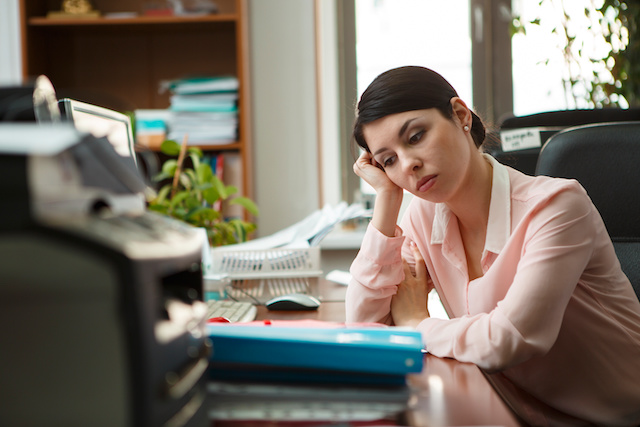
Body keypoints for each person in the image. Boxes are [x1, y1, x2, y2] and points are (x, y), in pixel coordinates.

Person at [346, 65, 640, 426]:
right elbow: (363, 328)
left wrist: (417, 323)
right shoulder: (422, 218)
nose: (409, 164)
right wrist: (388, 201)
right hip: (512, 408)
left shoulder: (558, 207)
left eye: (416, 136)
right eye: (388, 160)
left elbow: (509, 339)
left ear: (459, 115)